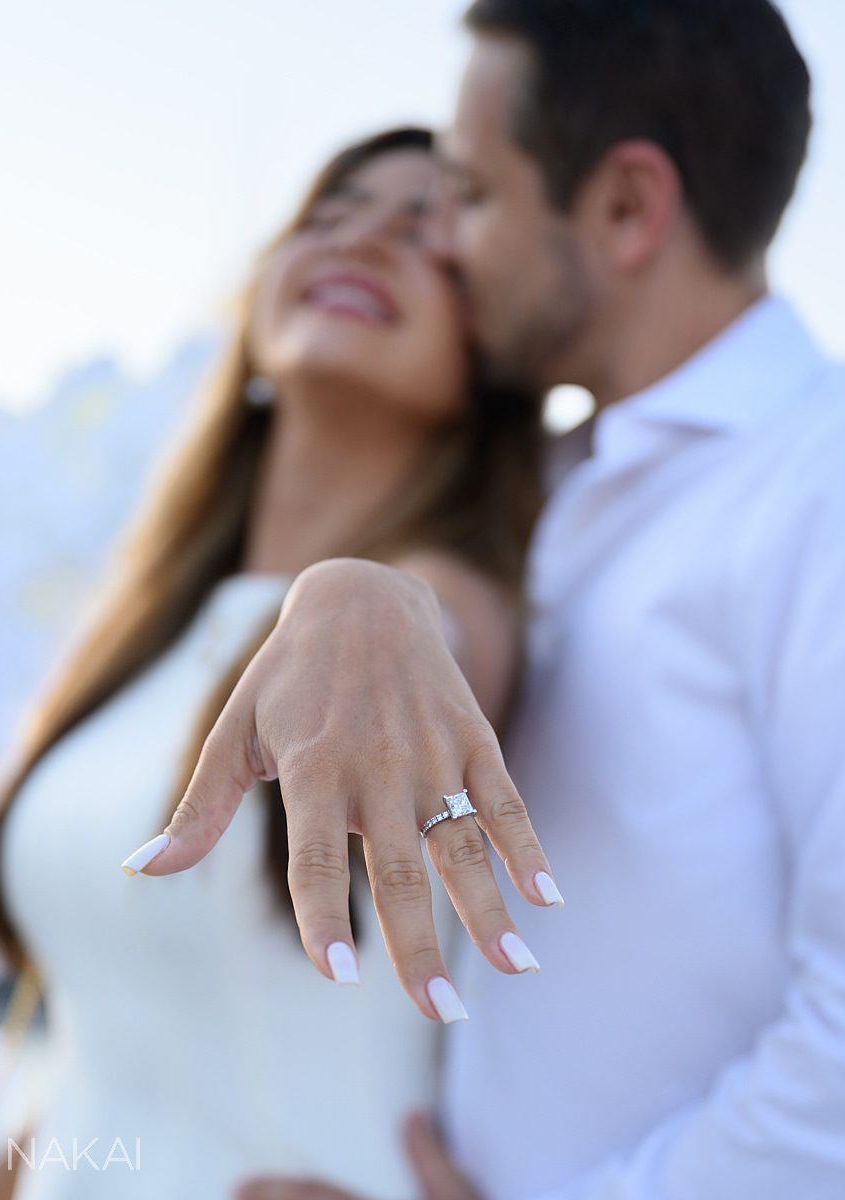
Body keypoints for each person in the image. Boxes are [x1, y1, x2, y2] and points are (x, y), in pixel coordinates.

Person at [144, 2, 845, 1199]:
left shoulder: (812, 487)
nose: (446, 249)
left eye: (468, 196)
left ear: (625, 209)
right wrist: (361, 597)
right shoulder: (577, 490)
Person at [0, 126, 554, 1199]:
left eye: (425, 230)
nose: (365, 238)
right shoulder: (150, 633)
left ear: (491, 337)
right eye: (328, 215)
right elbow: (92, 1050)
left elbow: (436, 636)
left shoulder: (440, 614)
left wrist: (361, 593)